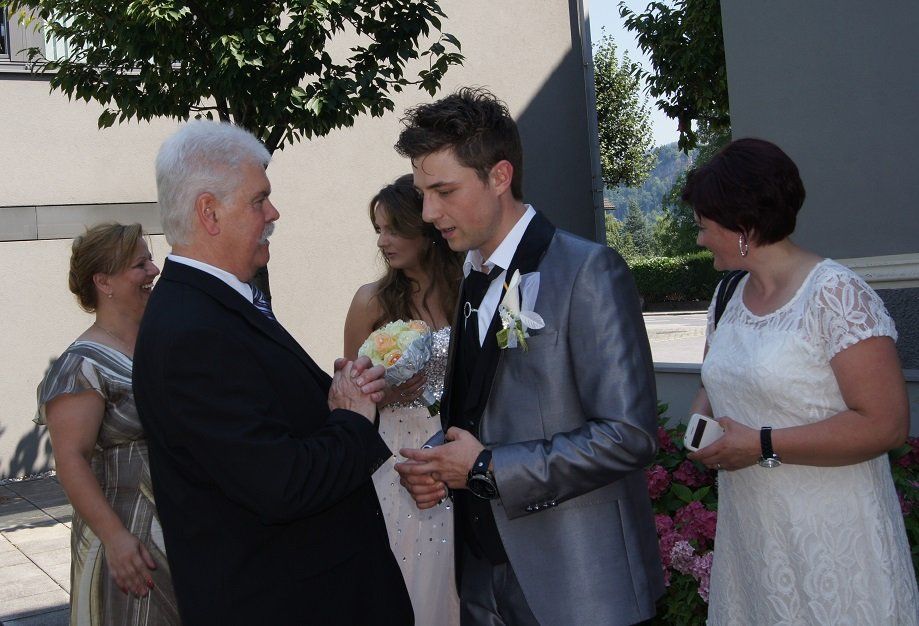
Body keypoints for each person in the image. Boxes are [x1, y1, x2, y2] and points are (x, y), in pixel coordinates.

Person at [392, 88, 664, 626]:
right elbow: (483, 410)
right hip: (481, 577)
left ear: (500, 176)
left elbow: (629, 434)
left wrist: (487, 468)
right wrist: (436, 461)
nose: (428, 213)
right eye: (423, 194)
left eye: (444, 191)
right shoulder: (470, 278)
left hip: (578, 584)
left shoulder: (588, 271)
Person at [131, 120, 414, 625]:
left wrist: (331, 395)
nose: (273, 212)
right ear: (209, 213)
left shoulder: (214, 305)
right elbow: (281, 483)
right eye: (259, 200)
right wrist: (351, 418)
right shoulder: (192, 331)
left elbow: (267, 424)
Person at [682, 137, 919, 624]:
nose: (700, 239)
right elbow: (714, 378)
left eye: (704, 226)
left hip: (834, 536)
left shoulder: (835, 294)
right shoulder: (726, 296)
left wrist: (762, 444)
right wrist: (701, 422)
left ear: (744, 226)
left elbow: (887, 424)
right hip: (754, 538)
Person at [35, 222, 180, 625]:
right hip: (128, 546)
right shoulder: (82, 365)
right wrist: (116, 538)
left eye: (150, 260)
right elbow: (71, 460)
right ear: (104, 282)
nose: (154, 270)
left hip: (182, 533)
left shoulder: (161, 344)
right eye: (140, 264)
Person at [344, 174, 463, 626]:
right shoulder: (370, 301)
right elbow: (348, 396)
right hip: (395, 459)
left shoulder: (465, 292)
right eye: (378, 230)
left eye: (394, 229)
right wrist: (387, 392)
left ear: (425, 229)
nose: (383, 241)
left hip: (456, 452)